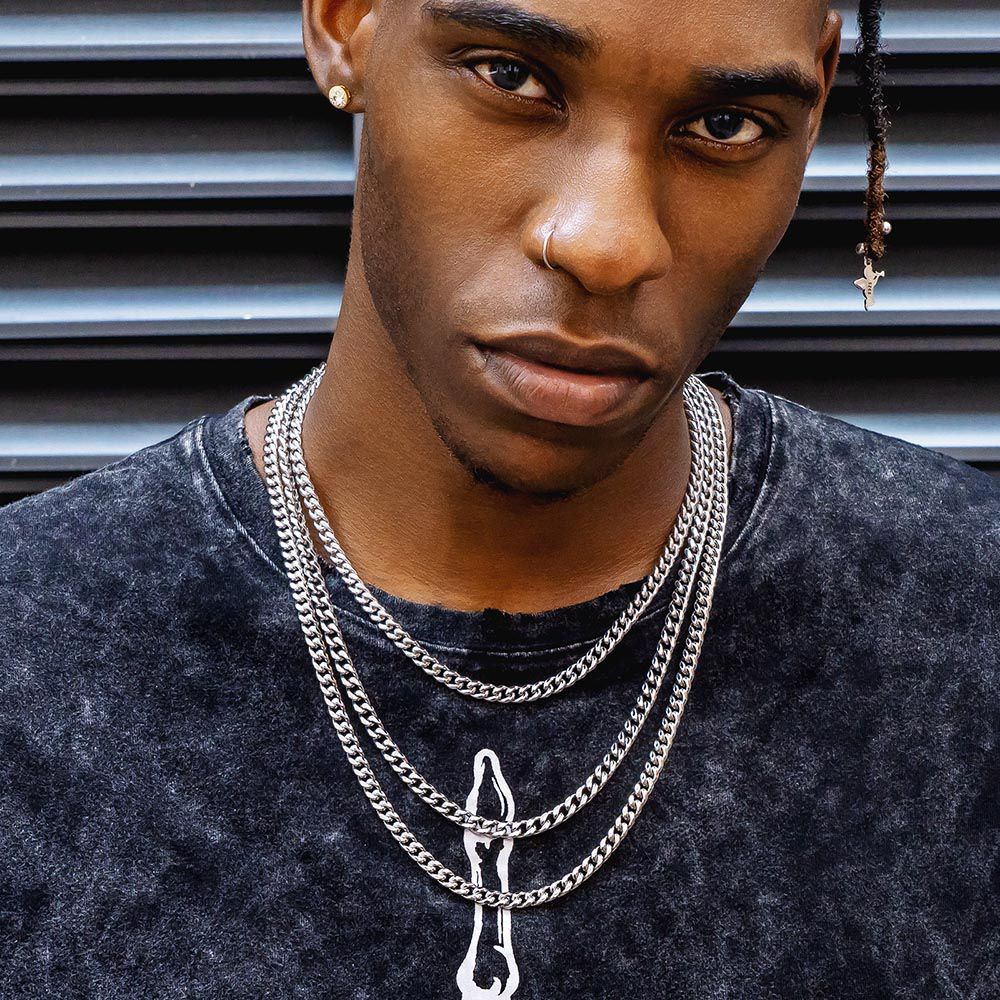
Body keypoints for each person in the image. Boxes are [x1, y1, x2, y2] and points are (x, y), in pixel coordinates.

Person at [1, 0, 996, 996]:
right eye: (510, 76)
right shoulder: (33, 647)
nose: (606, 244)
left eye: (724, 125)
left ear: (814, 105)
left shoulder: (967, 625)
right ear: (347, 22)